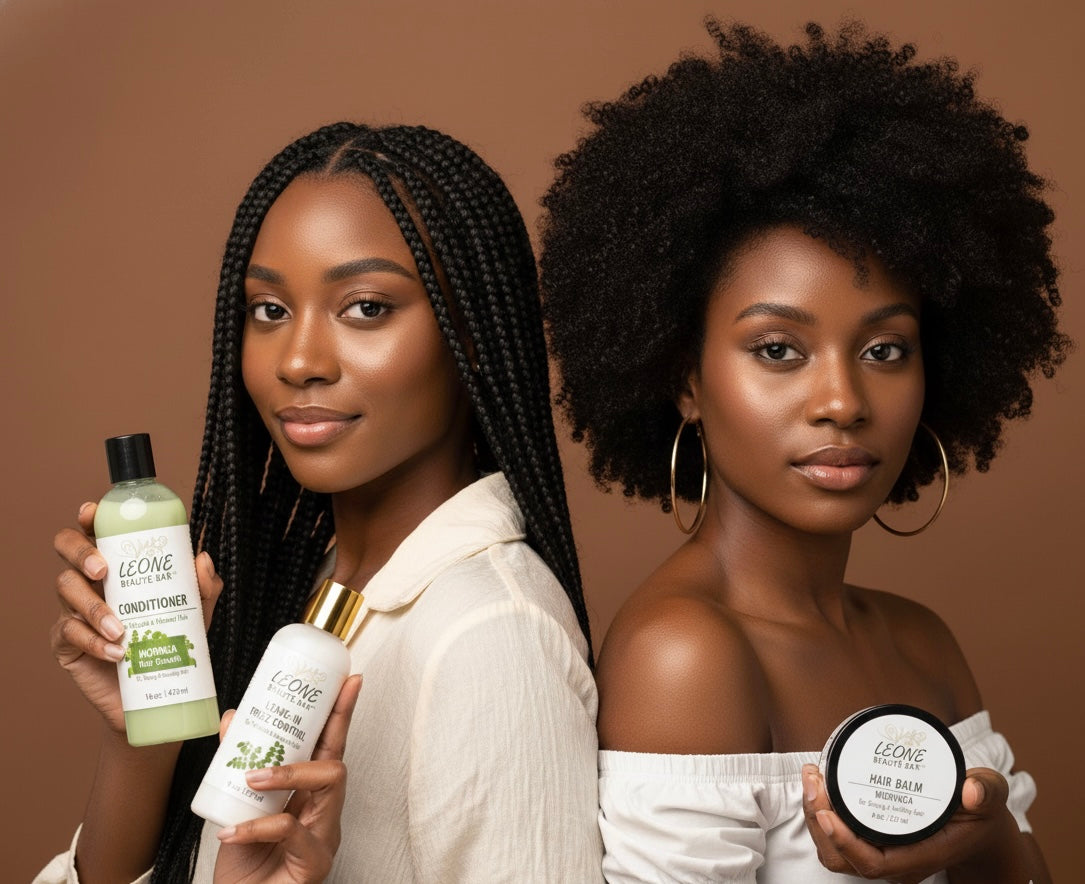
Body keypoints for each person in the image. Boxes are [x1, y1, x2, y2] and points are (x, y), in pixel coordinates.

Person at [539, 20, 1068, 884]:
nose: (842, 402)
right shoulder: (686, 655)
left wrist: (984, 840)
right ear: (684, 377)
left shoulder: (920, 643)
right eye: (777, 350)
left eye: (884, 350)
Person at [41, 122, 602, 883]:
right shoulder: (303, 586)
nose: (298, 360)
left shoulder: (489, 635)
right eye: (269, 310)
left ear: (468, 332)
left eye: (366, 307)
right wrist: (144, 735)